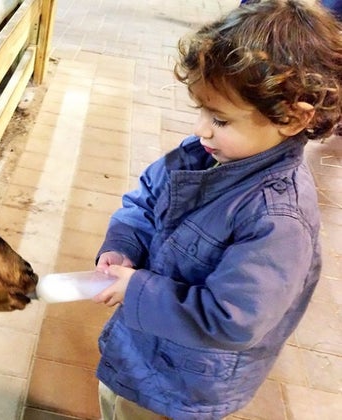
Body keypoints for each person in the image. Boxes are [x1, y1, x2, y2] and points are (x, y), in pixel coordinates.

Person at [92, 1, 342, 419]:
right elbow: (145, 201)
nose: (200, 129)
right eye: (201, 111)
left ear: (294, 118)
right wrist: (124, 243)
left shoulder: (277, 220)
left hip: (184, 384)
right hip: (140, 349)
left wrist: (136, 291)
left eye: (220, 120)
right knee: (115, 406)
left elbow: (232, 319)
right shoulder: (201, 156)